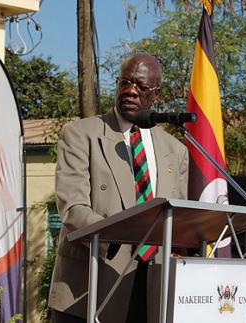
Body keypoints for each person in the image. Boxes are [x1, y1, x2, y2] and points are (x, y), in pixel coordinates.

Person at [48, 53, 189, 323]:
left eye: (140, 86)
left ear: (156, 94)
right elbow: (72, 208)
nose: (130, 92)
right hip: (91, 284)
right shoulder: (81, 134)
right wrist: (117, 234)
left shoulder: (176, 151)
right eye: (125, 82)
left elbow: (176, 219)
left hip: (152, 286)